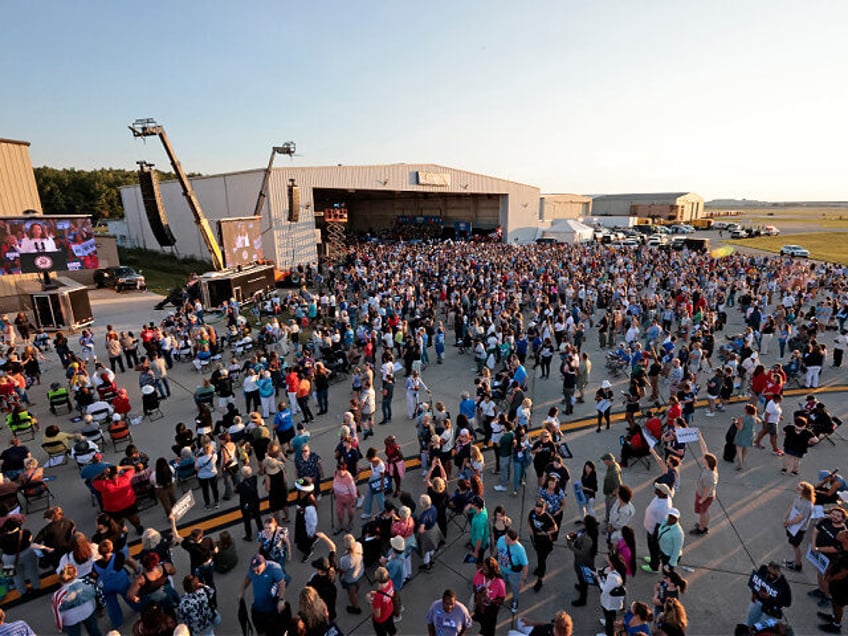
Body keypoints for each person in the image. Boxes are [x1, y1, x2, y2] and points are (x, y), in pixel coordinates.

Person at [238, 554, 290, 636]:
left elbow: (282, 583)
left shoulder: (274, 568)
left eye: (258, 569)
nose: (255, 572)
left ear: (264, 563)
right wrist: (242, 590)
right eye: (254, 570)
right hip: (257, 609)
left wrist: (281, 600)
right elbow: (248, 577)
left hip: (272, 610)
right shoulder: (253, 570)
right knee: (260, 631)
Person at [818, 528, 848, 634]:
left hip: (844, 587)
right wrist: (829, 571)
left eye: (843, 533)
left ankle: (836, 625)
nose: (840, 532)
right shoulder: (842, 547)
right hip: (837, 583)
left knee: (838, 605)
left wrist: (830, 578)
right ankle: (833, 616)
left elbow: (843, 574)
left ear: (846, 539)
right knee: (835, 602)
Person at [745, 561, 792, 627]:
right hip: (758, 601)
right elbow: (756, 580)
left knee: (762, 628)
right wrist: (754, 593)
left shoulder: (783, 584)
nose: (770, 575)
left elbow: (787, 603)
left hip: (770, 609)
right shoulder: (763, 569)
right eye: (769, 572)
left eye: (773, 575)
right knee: (750, 621)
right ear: (768, 567)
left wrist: (770, 597)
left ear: (778, 573)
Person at [782, 481, 815, 572]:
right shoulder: (799, 498)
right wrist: (785, 517)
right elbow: (792, 507)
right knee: (792, 544)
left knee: (795, 546)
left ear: (805, 492)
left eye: (799, 489)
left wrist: (788, 522)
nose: (797, 490)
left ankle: (798, 564)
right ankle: (796, 562)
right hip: (792, 526)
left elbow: (800, 518)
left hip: (799, 529)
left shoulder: (807, 505)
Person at [567, 515, 599, 607]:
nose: (583, 522)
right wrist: (575, 536)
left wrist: (570, 545)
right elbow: (580, 537)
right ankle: (582, 586)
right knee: (581, 577)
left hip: (584, 561)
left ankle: (583, 599)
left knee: (583, 577)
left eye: (585, 521)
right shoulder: (587, 530)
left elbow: (583, 553)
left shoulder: (588, 538)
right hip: (582, 560)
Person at [527, 498, 557, 592]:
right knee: (539, 557)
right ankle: (539, 568)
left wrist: (547, 533)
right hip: (536, 540)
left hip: (545, 542)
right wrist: (530, 528)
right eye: (536, 508)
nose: (537, 511)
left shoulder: (547, 517)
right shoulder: (532, 513)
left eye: (539, 510)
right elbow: (529, 520)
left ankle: (540, 580)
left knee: (542, 560)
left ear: (543, 509)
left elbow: (555, 528)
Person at [496, 528, 529, 614]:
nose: (506, 541)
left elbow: (525, 565)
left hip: (514, 573)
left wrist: (523, 580)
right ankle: (500, 598)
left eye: (509, 540)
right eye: (506, 538)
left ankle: (515, 601)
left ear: (515, 540)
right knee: (501, 584)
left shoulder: (520, 549)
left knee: (515, 588)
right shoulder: (501, 539)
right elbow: (497, 549)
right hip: (502, 569)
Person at [472, 557, 506, 636]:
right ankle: (483, 628)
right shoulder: (479, 573)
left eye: (485, 569)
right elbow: (474, 586)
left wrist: (490, 601)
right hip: (479, 604)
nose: (482, 571)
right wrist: (478, 594)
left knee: (490, 628)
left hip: (491, 609)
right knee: (482, 621)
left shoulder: (499, 583)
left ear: (492, 571)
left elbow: (501, 599)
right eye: (483, 568)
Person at [598, 552, 627, 636]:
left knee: (609, 616)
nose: (607, 560)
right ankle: (609, 623)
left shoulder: (613, 577)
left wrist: (598, 578)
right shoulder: (620, 568)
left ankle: (609, 633)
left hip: (609, 602)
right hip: (615, 601)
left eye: (608, 560)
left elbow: (604, 589)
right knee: (611, 616)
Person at [691, 453, 718, 536]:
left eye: (704, 459)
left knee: (703, 512)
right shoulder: (709, 469)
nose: (702, 459)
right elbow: (704, 449)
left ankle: (702, 529)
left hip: (705, 497)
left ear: (707, 462)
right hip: (702, 494)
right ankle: (702, 524)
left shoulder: (709, 476)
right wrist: (700, 439)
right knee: (703, 512)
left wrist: (702, 499)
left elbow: (707, 489)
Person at [366, 566, 397, 636]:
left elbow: (377, 615)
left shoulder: (378, 597)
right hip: (390, 611)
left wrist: (370, 602)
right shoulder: (390, 582)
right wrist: (376, 593)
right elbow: (389, 594)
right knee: (392, 629)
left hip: (381, 620)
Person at [235, 465, 263, 541]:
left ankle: (248, 535)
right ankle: (261, 529)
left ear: (243, 474)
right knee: (257, 516)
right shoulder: (254, 478)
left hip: (246, 504)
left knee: (247, 519)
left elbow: (236, 491)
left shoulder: (240, 485)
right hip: (255, 501)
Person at [601, 452, 622, 525]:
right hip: (609, 493)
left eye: (605, 460)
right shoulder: (612, 466)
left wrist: (612, 494)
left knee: (611, 511)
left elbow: (618, 486)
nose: (604, 462)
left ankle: (610, 526)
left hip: (612, 495)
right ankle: (607, 520)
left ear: (610, 461)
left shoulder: (614, 472)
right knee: (608, 509)